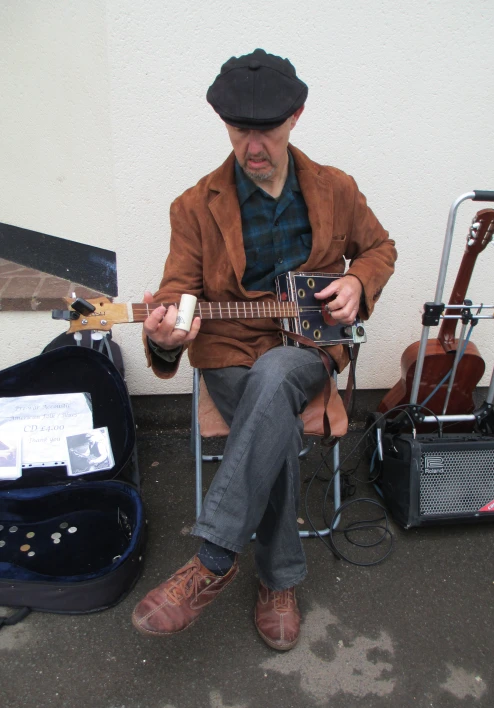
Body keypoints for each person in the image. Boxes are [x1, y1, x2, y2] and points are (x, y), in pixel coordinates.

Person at [132, 49, 397, 650]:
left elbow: (381, 249)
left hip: (308, 348)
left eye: (267, 131)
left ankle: (212, 559)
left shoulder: (336, 188)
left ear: (296, 117)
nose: (253, 147)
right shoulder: (194, 207)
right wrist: (163, 335)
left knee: (278, 374)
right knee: (266, 401)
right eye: (239, 131)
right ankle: (278, 582)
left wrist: (357, 282)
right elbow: (177, 292)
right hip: (228, 353)